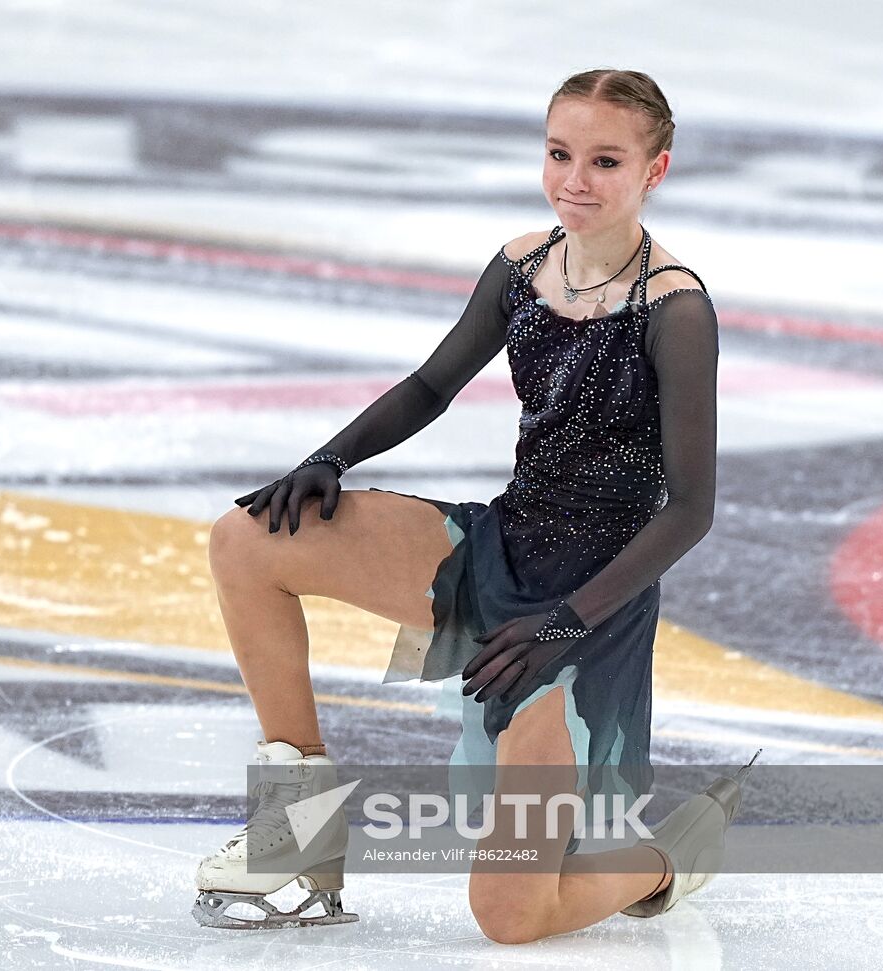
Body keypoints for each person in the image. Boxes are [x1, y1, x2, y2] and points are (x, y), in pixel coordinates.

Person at [192, 68, 759, 942]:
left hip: (587, 611)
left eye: (605, 160)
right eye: (560, 153)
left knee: (509, 915)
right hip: (499, 547)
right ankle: (299, 827)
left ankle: (669, 855)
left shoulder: (675, 309)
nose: (575, 180)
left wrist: (564, 623)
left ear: (657, 170)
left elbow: (690, 509)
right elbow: (431, 384)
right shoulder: (526, 263)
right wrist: (328, 457)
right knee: (249, 540)